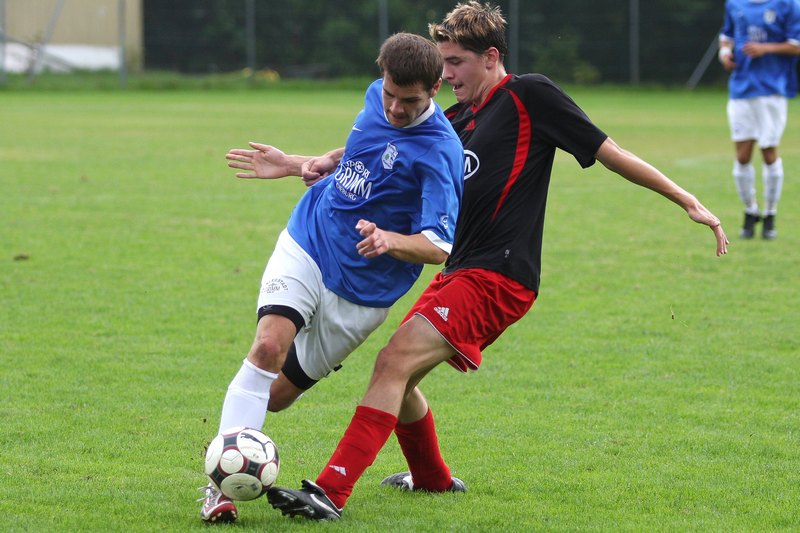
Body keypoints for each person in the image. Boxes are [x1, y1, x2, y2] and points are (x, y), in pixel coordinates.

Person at [265, 1, 729, 521]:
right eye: (443, 62)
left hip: (500, 275)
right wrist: (302, 164)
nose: (446, 74)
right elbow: (375, 151)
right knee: (401, 375)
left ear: (490, 57)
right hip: (458, 270)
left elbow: (610, 151)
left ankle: (331, 492)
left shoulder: (529, 96)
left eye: (455, 62)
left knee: (394, 363)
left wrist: (685, 199)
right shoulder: (452, 119)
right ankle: (433, 479)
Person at [198, 32, 464, 523]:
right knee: (267, 347)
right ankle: (219, 490)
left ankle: (233, 456)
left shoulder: (440, 152)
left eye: (409, 101)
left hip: (363, 293)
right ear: (382, 77)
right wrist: (304, 163)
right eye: (390, 94)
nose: (395, 108)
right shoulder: (376, 97)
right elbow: (368, 146)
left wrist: (389, 239)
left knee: (275, 397)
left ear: (434, 90)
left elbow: (439, 245)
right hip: (310, 240)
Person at [718, 0, 800, 239]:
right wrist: (725, 53)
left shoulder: (789, 4)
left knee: (768, 152)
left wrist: (766, 48)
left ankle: (770, 214)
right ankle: (750, 211)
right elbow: (726, 36)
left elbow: (796, 45)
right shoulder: (734, 3)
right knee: (742, 156)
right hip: (741, 90)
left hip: (771, 91)